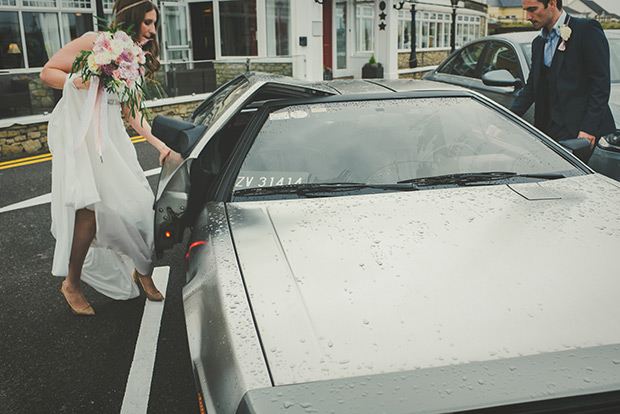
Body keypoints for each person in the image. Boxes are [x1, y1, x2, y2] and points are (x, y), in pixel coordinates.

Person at [40, 0, 171, 316]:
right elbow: (48, 72)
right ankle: (72, 283)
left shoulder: (135, 59)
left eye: (154, 24)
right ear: (133, 18)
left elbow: (132, 112)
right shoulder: (93, 42)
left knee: (140, 203)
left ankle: (143, 269)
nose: (153, 30)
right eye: (149, 22)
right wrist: (78, 80)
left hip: (113, 138)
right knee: (88, 212)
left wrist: (160, 145)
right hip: (83, 136)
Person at [511, 0, 615, 151]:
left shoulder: (586, 30)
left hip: (580, 130)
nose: (527, 17)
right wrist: (507, 118)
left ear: (552, 3)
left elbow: (600, 83)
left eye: (532, 9)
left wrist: (589, 128)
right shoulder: (538, 43)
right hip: (548, 129)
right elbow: (532, 87)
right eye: (525, 10)